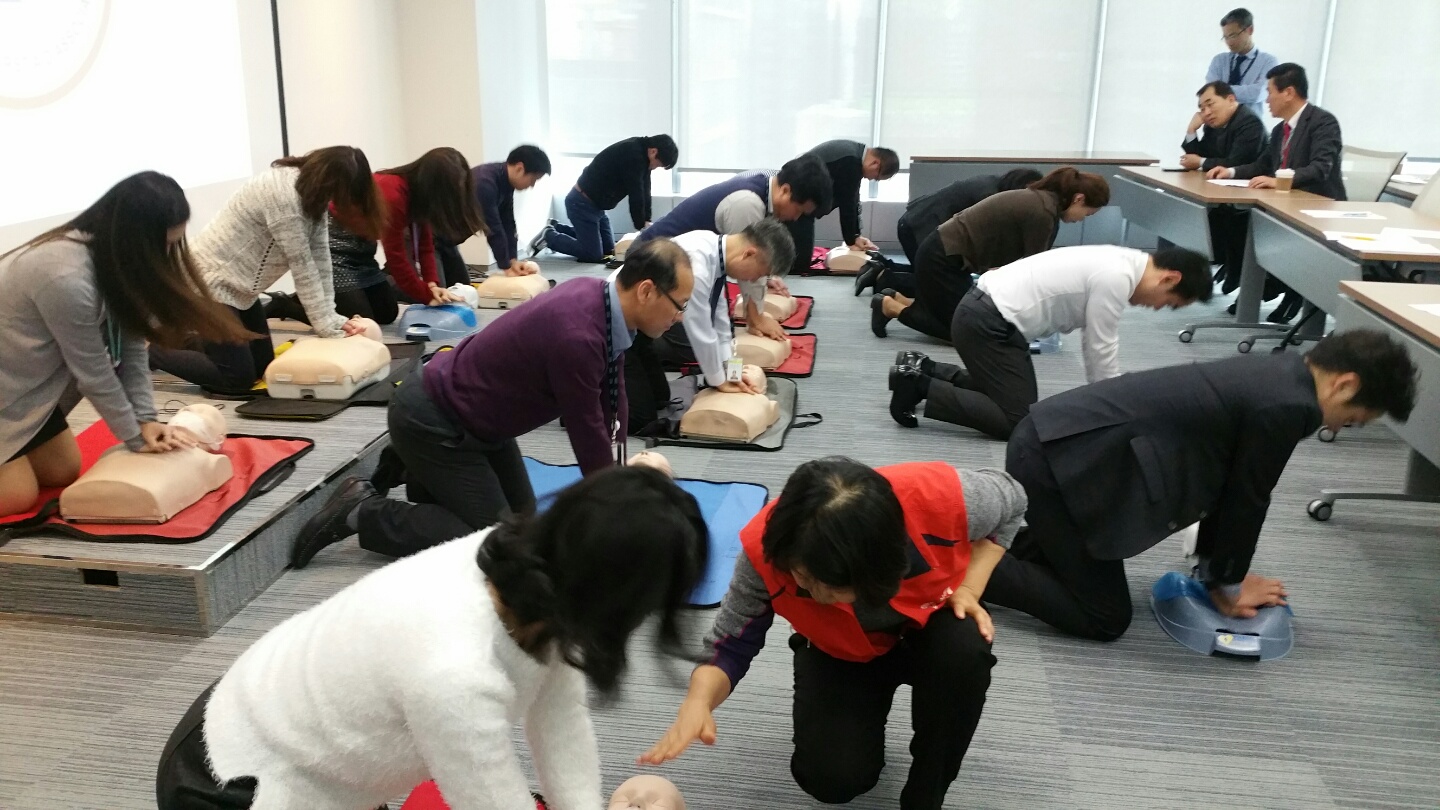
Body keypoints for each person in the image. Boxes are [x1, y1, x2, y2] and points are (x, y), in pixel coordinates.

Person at [156, 466, 709, 810]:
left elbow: (560, 716)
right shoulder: (456, 670)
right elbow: (490, 800)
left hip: (288, 730)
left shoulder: (536, 574)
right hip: (233, 780)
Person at [641, 457, 1028, 810]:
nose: (813, 593)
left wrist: (970, 588)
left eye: (827, 585)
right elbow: (730, 643)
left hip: (931, 621)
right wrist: (698, 701)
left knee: (964, 650)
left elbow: (1015, 498)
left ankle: (928, 790)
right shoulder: (766, 550)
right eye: (802, 577)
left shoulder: (941, 498)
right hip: (840, 648)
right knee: (831, 779)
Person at [983, 329, 1418, 641]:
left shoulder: (1283, 372)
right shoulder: (1289, 405)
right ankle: (949, 564)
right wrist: (1229, 587)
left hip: (1068, 448)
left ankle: (977, 550)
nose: (1339, 429)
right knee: (1104, 617)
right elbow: (1247, 499)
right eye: (1352, 419)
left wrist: (1219, 577)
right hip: (1059, 461)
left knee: (1072, 557)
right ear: (1346, 384)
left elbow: (1228, 490)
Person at [290, 238, 695, 568]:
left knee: (525, 527)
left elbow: (614, 399)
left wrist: (621, 469)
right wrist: (619, 510)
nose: (680, 317)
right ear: (646, 291)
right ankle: (363, 510)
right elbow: (588, 432)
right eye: (680, 305)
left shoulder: (601, 300)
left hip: (481, 425)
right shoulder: (580, 336)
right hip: (433, 420)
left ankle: (416, 469)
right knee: (499, 545)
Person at [0, 173, 252, 517]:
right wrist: (135, 438)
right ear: (137, 239)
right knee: (18, 497)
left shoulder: (117, 263)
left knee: (63, 472)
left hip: (25, 393)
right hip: (7, 392)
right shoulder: (64, 277)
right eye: (164, 244)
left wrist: (147, 421)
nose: (168, 253)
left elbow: (133, 351)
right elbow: (93, 372)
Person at [888, 245, 1214, 438]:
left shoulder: (1124, 260)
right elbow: (1100, 350)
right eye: (1168, 302)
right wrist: (1118, 409)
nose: (1158, 308)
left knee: (1007, 396)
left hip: (988, 315)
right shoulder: (1116, 277)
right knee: (1016, 420)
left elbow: (1095, 347)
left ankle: (924, 368)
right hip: (988, 322)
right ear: (1170, 277)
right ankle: (918, 384)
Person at [149, 147, 385, 392]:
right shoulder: (284, 195)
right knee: (236, 380)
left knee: (264, 369)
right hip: (211, 281)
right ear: (332, 180)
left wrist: (332, 318)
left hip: (242, 290)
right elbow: (303, 267)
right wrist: (325, 326)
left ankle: (185, 338)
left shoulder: (313, 195)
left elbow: (321, 258)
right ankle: (151, 352)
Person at [872, 167, 1110, 341]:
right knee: (963, 332)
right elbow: (1034, 273)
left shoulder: (1041, 202)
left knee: (968, 317)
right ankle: (889, 307)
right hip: (941, 258)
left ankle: (900, 298)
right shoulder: (1043, 213)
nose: (1081, 220)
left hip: (946, 255)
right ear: (1079, 199)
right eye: (1086, 214)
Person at [267, 146, 488, 327]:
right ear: (434, 185)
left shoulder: (418, 195)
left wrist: (432, 284)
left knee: (387, 313)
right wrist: (425, 295)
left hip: (361, 253)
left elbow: (426, 245)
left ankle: (317, 298)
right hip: (334, 248)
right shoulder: (393, 195)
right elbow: (396, 258)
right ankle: (288, 305)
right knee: (363, 321)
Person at [625, 220, 795, 432]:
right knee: (639, 418)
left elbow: (721, 323)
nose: (754, 280)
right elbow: (700, 330)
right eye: (759, 274)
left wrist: (731, 373)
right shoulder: (698, 262)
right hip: (620, 330)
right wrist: (718, 380)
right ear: (749, 254)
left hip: (641, 332)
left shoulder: (715, 254)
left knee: (661, 398)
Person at [1207, 63, 1345, 322]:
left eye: (1269, 92)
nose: (1266, 99)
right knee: (1234, 220)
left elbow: (1320, 168)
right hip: (1283, 204)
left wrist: (1279, 180)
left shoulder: (1323, 122)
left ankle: (1288, 287)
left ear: (1289, 92)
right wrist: (1231, 171)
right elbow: (1262, 165)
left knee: (1260, 229)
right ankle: (1266, 283)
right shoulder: (1280, 129)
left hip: (1318, 207)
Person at [857, 169, 1045, 299]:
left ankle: (881, 267)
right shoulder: (992, 197)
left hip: (916, 224)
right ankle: (886, 278)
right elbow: (983, 239)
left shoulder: (993, 184)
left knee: (936, 276)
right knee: (947, 290)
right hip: (921, 229)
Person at [1180, 80, 1268, 293]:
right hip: (1228, 197)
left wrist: (1201, 163)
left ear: (1230, 99)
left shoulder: (1249, 123)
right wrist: (1192, 130)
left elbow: (1236, 162)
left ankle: (1237, 274)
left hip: (1248, 199)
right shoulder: (1215, 125)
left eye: (1210, 104)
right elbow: (1201, 155)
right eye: (1202, 109)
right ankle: (1228, 269)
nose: (1206, 112)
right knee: (1197, 217)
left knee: (1215, 222)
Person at [536, 135, 678, 263]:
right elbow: (636, 193)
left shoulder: (642, 154)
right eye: (658, 164)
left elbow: (646, 190)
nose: (655, 168)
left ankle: (557, 227)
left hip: (597, 208)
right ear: (653, 151)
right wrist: (641, 227)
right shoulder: (633, 155)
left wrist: (647, 219)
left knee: (609, 249)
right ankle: (548, 236)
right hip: (581, 203)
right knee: (593, 254)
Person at [633, 153, 832, 244]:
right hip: (650, 260)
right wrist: (756, 316)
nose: (796, 218)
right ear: (786, 191)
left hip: (678, 262)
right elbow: (747, 262)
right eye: (798, 210)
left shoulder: (764, 190)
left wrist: (769, 279)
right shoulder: (748, 203)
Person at [435, 144, 551, 284]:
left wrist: (512, 260)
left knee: (462, 288)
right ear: (520, 168)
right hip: (429, 240)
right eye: (533, 180)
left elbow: (508, 223)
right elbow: (493, 228)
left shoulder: (505, 183)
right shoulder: (485, 183)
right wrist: (506, 267)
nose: (532, 185)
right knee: (436, 293)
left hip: (447, 242)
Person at [786, 140, 900, 275]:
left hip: (803, 194)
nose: (870, 180)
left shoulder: (856, 155)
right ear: (875, 164)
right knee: (799, 265)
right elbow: (847, 203)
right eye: (875, 177)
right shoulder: (850, 162)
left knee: (845, 199)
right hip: (794, 198)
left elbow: (854, 200)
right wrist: (851, 241)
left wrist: (856, 235)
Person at [1204, 8, 1279, 121]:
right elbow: (1210, 94)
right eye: (1226, 37)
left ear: (1250, 30)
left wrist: (1221, 91)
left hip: (1249, 127)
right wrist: (1245, 91)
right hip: (1219, 128)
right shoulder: (1219, 61)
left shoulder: (1268, 61)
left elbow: (1259, 93)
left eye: (1233, 36)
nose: (1229, 42)